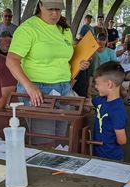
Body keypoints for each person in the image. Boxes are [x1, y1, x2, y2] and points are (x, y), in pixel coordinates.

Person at [6, 0, 89, 145]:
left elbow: (65, 59)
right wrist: (29, 86)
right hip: (38, 90)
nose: (55, 14)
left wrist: (79, 64)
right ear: (40, 5)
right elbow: (11, 60)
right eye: (51, 9)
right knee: (45, 142)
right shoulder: (28, 29)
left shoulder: (64, 29)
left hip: (64, 88)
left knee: (61, 140)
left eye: (58, 9)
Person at [91, 61, 127, 160]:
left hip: (112, 158)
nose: (95, 86)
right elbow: (87, 102)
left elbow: (122, 140)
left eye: (97, 83)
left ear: (109, 84)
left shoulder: (117, 111)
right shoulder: (101, 100)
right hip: (97, 153)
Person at [115, 34, 130, 104]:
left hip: (127, 72)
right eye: (128, 40)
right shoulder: (119, 47)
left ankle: (129, 98)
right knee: (123, 93)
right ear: (125, 40)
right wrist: (123, 50)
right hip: (117, 71)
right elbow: (115, 55)